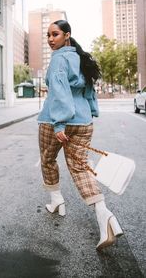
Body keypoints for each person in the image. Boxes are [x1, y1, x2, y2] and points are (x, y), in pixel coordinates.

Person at [38, 20, 123, 250]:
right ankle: (104, 215)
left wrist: (58, 124)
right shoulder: (82, 58)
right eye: (47, 35)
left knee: (47, 159)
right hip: (84, 121)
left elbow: (59, 92)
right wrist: (91, 111)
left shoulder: (58, 59)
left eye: (54, 34)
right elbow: (89, 91)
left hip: (55, 121)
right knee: (80, 168)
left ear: (67, 35)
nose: (50, 39)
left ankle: (57, 199)